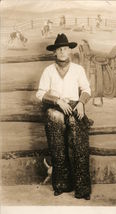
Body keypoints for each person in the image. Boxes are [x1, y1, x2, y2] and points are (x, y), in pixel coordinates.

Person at [36, 33, 92, 200]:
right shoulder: (48, 71)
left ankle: (82, 188)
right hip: (55, 107)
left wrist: (82, 102)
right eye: (59, 49)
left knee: (79, 144)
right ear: (55, 52)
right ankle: (61, 184)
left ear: (69, 51)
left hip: (75, 106)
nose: (62, 52)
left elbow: (87, 89)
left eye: (65, 48)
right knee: (57, 144)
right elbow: (40, 94)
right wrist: (57, 101)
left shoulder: (78, 69)